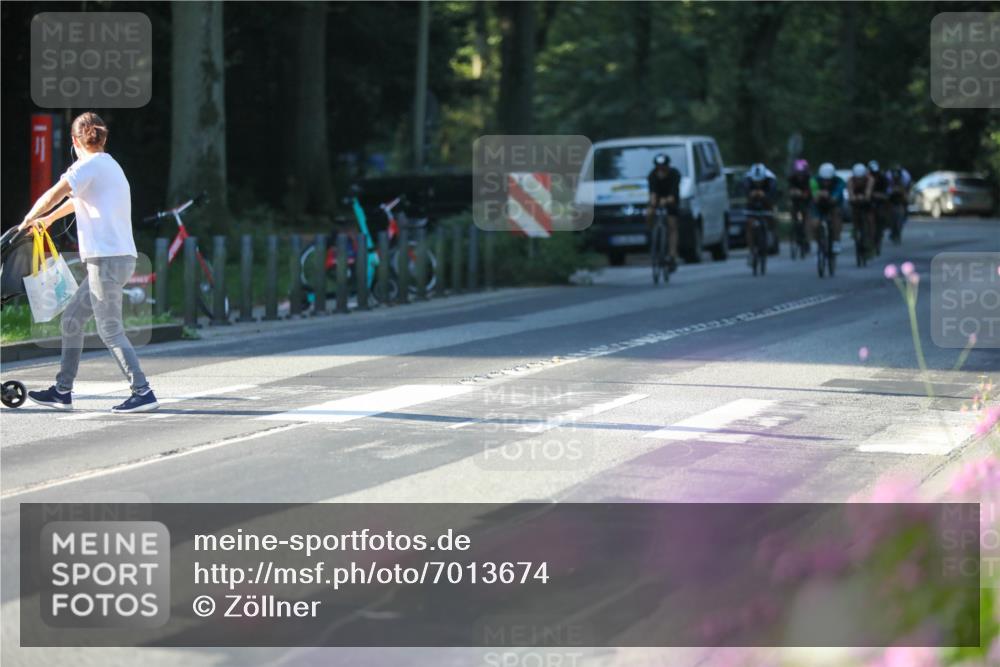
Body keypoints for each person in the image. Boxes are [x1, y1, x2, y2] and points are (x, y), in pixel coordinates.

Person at [18, 112, 159, 413]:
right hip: (117, 258)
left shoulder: (87, 166)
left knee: (110, 329)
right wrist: (46, 220)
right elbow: (74, 200)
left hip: (106, 261)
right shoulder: (108, 165)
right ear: (102, 138)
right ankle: (62, 390)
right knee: (72, 319)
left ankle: (142, 390)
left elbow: (55, 194)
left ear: (73, 141)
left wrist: (29, 217)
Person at [646, 153, 682, 272]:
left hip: (671, 199)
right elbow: (652, 193)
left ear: (667, 167)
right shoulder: (652, 175)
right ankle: (652, 234)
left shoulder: (674, 174)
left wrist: (666, 201)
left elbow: (673, 195)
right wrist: (653, 204)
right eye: (658, 168)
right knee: (649, 212)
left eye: (663, 168)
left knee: (672, 224)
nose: (660, 170)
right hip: (658, 198)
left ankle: (672, 255)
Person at [809, 162, 846, 254]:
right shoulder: (813, 181)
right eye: (824, 180)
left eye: (828, 180)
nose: (826, 182)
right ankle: (819, 242)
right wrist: (818, 195)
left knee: (836, 215)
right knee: (815, 224)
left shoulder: (839, 181)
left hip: (834, 204)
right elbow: (815, 198)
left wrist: (828, 195)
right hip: (818, 205)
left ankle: (836, 241)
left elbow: (835, 198)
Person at [743, 163, 777, 257]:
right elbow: (746, 194)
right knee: (749, 223)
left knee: (771, 218)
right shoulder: (747, 180)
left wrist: (765, 195)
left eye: (760, 181)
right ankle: (751, 250)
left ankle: (771, 237)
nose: (758, 183)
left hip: (767, 204)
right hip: (752, 204)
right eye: (756, 182)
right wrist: (751, 194)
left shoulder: (771, 180)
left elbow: (773, 196)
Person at [846, 162, 874, 258]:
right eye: (857, 178)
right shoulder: (850, 180)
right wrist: (853, 197)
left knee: (870, 220)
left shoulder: (870, 179)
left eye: (861, 178)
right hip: (856, 202)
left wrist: (865, 196)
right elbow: (850, 191)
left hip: (867, 202)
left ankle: (870, 240)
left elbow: (868, 192)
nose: (859, 180)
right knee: (854, 212)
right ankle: (855, 228)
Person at [787, 158, 812, 255]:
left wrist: (802, 193)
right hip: (795, 201)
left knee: (806, 218)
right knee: (794, 214)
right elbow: (789, 191)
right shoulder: (791, 178)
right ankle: (795, 230)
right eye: (798, 173)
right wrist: (791, 194)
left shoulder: (809, 178)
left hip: (806, 200)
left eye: (802, 173)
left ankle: (807, 239)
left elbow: (810, 192)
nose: (800, 176)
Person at [867, 160, 890, 255]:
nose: (874, 175)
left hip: (880, 201)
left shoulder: (883, 178)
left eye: (875, 173)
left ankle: (882, 228)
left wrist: (881, 195)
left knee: (882, 214)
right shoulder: (865, 177)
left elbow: (887, 192)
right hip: (868, 201)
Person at [887, 163, 912, 233]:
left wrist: (905, 195)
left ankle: (904, 216)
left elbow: (907, 188)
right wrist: (891, 191)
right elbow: (886, 188)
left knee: (906, 201)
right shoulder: (888, 176)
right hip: (891, 191)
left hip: (903, 190)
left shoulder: (906, 176)